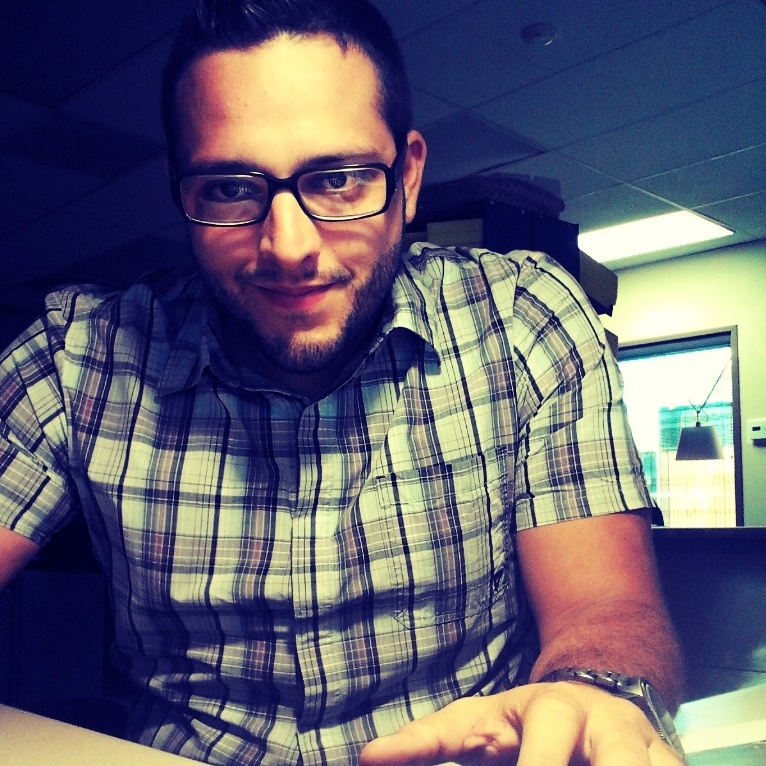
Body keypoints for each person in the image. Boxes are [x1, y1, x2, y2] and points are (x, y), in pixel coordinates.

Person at [0, 0, 685, 764]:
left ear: (409, 177)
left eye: (339, 179)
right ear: (183, 192)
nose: (288, 247)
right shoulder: (78, 356)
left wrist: (594, 690)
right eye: (229, 188)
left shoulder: (524, 318)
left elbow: (607, 607)